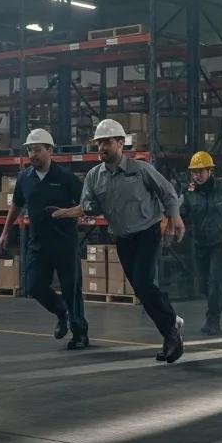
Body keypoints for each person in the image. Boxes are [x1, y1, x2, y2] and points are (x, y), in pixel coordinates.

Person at [59, 119, 185, 363]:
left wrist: (175, 217)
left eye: (106, 142)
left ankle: (171, 332)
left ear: (120, 143)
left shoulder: (140, 169)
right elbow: (88, 207)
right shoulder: (95, 177)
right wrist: (68, 212)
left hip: (148, 232)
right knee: (141, 288)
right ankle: (172, 323)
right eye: (99, 143)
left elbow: (168, 192)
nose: (101, 148)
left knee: (143, 282)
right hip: (123, 238)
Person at [0, 128, 89, 350]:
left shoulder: (66, 177)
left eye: (37, 150)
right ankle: (61, 312)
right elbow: (16, 205)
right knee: (33, 285)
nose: (32, 155)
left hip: (65, 243)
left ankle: (80, 334)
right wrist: (5, 231)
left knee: (71, 289)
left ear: (50, 150)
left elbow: (86, 205)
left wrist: (65, 213)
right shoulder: (24, 178)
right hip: (37, 243)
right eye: (30, 150)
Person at [180, 151, 222, 335]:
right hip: (200, 244)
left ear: (210, 171)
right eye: (194, 172)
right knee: (204, 285)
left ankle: (213, 320)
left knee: (214, 281)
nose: (197, 176)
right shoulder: (188, 193)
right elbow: (180, 213)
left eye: (200, 171)